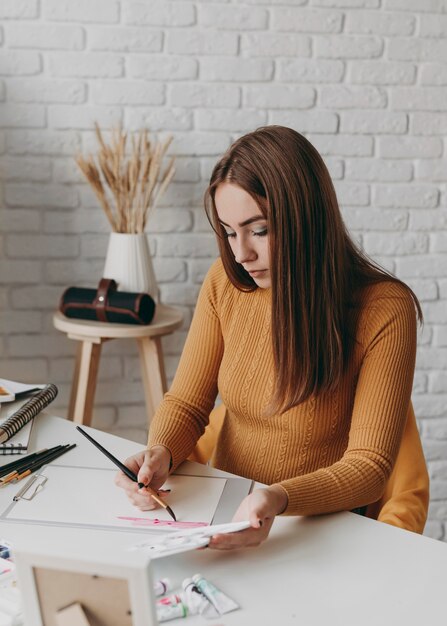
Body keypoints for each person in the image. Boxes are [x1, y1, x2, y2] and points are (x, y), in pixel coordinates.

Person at [116, 126, 428, 549]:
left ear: (305, 218)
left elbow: (370, 466)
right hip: (222, 512)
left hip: (317, 529)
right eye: (229, 231)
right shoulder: (225, 284)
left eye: (258, 230)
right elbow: (188, 403)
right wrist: (162, 452)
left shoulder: (384, 309)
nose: (241, 253)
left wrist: (277, 497)